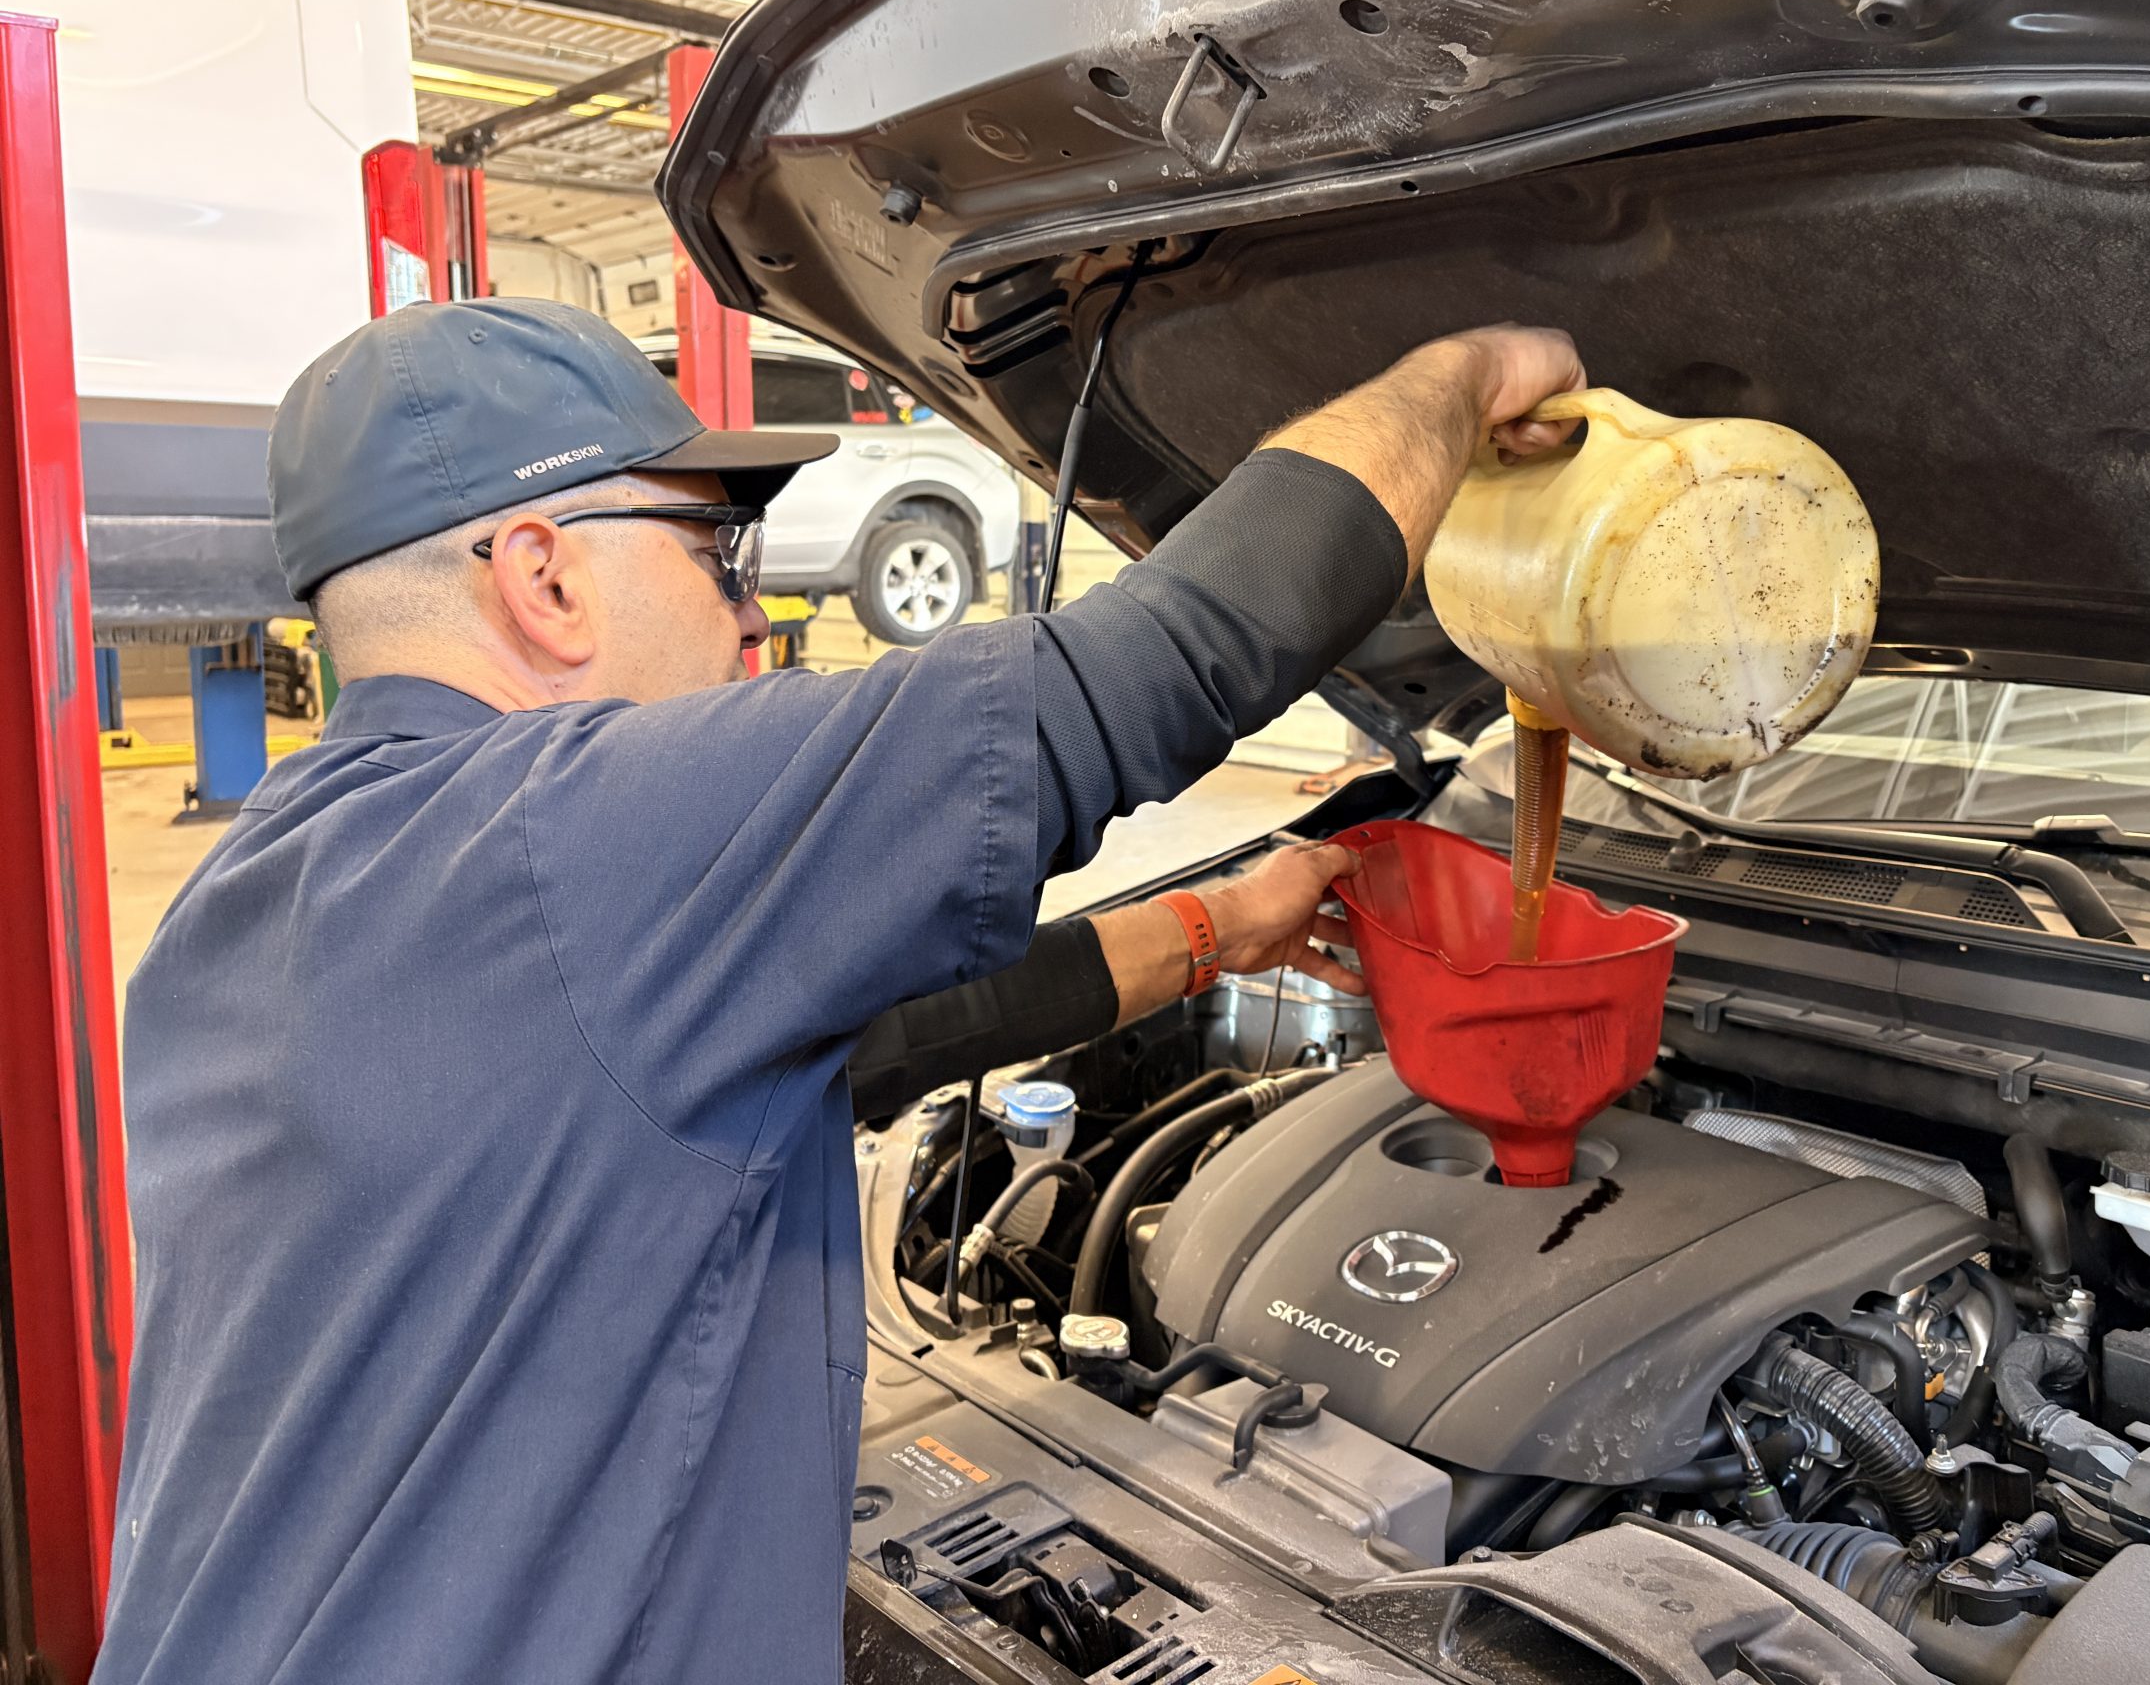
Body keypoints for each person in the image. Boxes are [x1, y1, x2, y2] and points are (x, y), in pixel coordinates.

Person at [96, 297, 1582, 1683]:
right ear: (545, 577)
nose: (750, 619)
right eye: (708, 550)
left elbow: (880, 1041)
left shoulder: (256, 902)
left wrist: (1219, 927)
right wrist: (1458, 381)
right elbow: (1157, 665)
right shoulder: (580, 838)